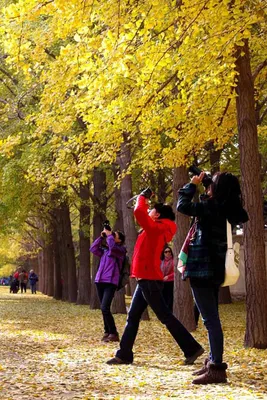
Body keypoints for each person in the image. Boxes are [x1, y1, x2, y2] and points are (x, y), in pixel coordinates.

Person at [107, 193, 204, 365]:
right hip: (146, 277)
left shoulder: (156, 228)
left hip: (149, 278)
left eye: (152, 210)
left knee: (165, 316)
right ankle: (124, 354)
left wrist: (142, 199)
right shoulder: (157, 228)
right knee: (133, 316)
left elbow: (139, 213)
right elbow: (142, 215)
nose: (149, 211)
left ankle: (191, 348)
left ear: (157, 215)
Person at [177, 171, 248, 384]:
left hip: (201, 268)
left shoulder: (210, 207)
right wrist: (210, 185)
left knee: (210, 320)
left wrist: (192, 185)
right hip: (215, 270)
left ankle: (216, 368)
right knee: (211, 318)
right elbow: (232, 210)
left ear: (218, 189)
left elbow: (182, 205)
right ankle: (212, 361)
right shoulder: (226, 207)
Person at [90, 228, 126, 343]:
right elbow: (93, 248)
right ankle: (107, 331)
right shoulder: (105, 251)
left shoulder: (120, 250)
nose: (111, 236)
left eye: (114, 235)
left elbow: (113, 248)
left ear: (119, 240)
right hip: (100, 281)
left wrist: (110, 236)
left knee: (105, 307)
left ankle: (114, 333)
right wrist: (101, 237)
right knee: (103, 308)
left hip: (110, 282)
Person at [160, 246, 174, 311]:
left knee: (170, 299)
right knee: (163, 299)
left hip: (171, 282)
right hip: (162, 282)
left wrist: (168, 276)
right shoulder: (161, 261)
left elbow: (176, 272)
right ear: (163, 253)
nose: (168, 253)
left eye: (169, 251)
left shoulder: (174, 261)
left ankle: (170, 312)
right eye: (166, 252)